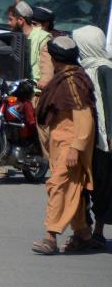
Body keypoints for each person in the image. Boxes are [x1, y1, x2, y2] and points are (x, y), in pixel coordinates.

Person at [32, 37, 97, 254]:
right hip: (59, 143)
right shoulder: (64, 77)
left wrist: (76, 147)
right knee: (72, 189)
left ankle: (50, 237)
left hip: (70, 144)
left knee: (58, 185)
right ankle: (83, 234)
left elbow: (84, 117)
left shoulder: (73, 81)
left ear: (55, 58)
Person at [74, 26, 112, 249]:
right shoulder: (83, 69)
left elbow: (109, 104)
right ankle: (84, 229)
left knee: (102, 186)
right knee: (85, 186)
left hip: (103, 141)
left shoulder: (105, 70)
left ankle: (98, 230)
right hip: (86, 137)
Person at [30, 6, 56, 89]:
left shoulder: (48, 40)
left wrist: (43, 82)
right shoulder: (26, 36)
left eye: (34, 24)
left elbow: (48, 67)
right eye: (30, 24)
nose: (31, 28)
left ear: (46, 24)